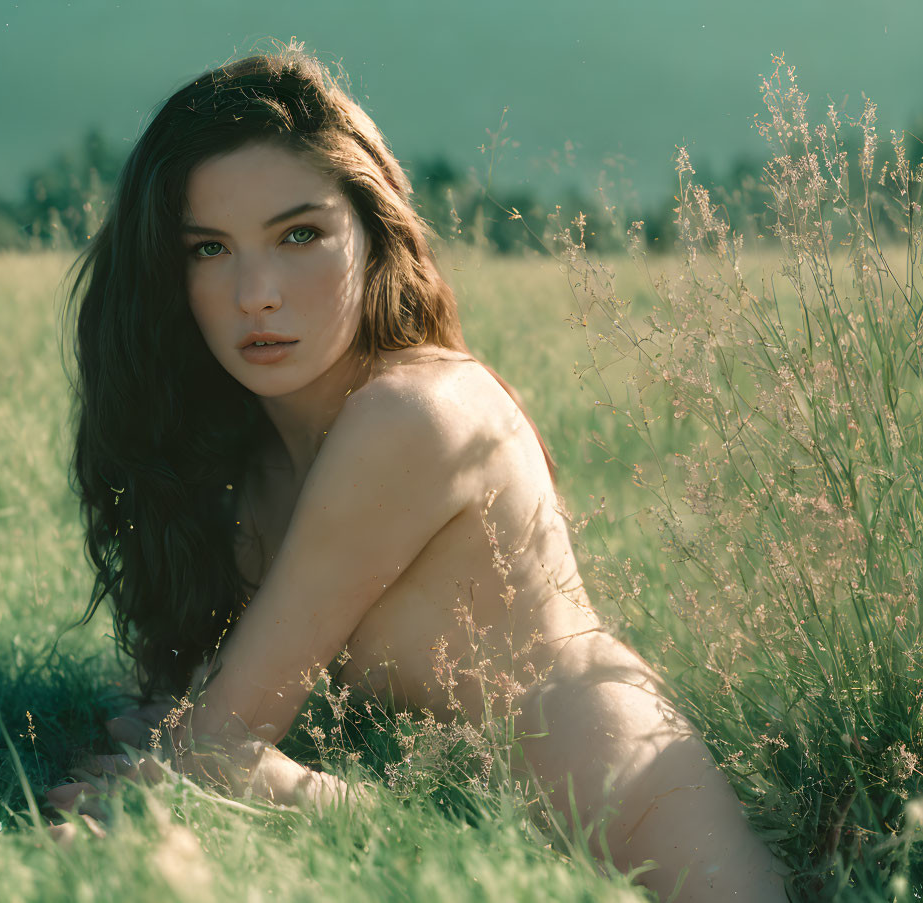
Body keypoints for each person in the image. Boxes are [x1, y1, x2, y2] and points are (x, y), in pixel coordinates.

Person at [44, 44, 789, 901]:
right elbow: (208, 729)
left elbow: (217, 746)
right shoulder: (234, 461)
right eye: (209, 248)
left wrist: (185, 757)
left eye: (299, 235)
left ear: (373, 233)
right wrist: (188, 746)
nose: (256, 291)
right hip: (463, 840)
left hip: (629, 836)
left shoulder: (414, 415)